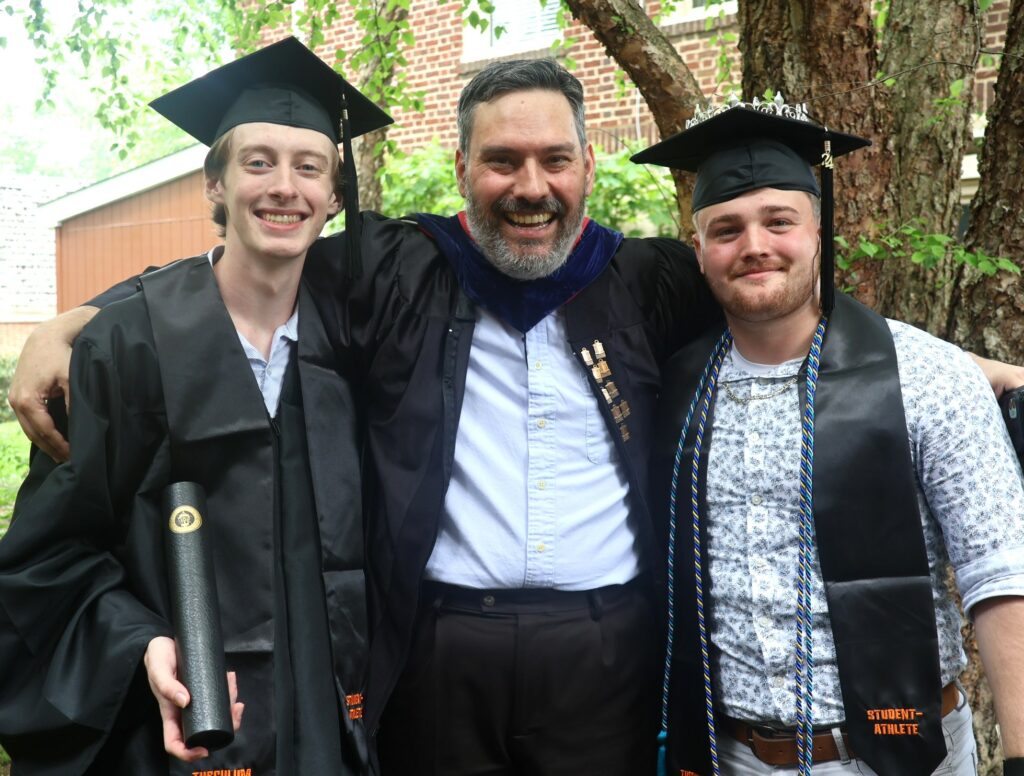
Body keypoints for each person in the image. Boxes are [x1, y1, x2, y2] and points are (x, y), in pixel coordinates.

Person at [8, 61, 1024, 775]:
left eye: (552, 159)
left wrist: (949, 365)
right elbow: (252, 261)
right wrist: (73, 321)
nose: (528, 187)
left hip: (607, 651)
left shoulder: (645, 279)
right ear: (460, 170)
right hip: (439, 651)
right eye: (501, 161)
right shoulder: (392, 266)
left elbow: (780, 298)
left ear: (586, 165)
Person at [0, 37, 391, 775]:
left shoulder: (359, 332)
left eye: (309, 166)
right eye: (257, 162)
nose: (285, 186)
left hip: (323, 727)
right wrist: (141, 642)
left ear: (335, 199)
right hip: (171, 731)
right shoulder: (128, 346)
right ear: (214, 184)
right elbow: (47, 559)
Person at [637, 96, 1024, 775]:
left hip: (906, 756)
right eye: (726, 229)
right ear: (697, 251)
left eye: (778, 221)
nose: (754, 245)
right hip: (727, 758)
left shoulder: (927, 377)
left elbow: (1005, 576)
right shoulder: (671, 391)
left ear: (819, 232)